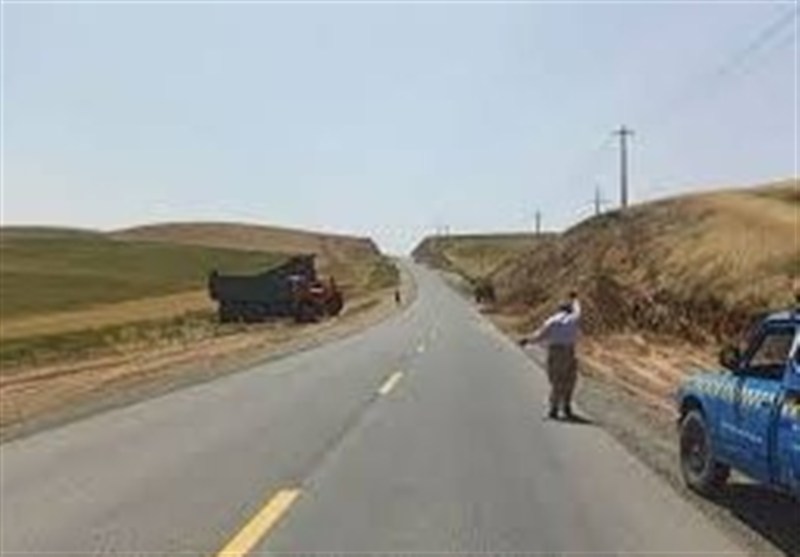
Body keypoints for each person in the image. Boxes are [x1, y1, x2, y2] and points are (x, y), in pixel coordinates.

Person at [520, 291, 581, 420]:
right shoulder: (573, 318)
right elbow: (578, 309)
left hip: (555, 351)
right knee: (569, 380)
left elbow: (540, 335)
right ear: (569, 310)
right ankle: (566, 406)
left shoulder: (552, 321)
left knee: (556, 381)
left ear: (558, 309)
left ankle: (554, 408)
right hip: (569, 352)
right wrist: (575, 298)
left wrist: (527, 340)